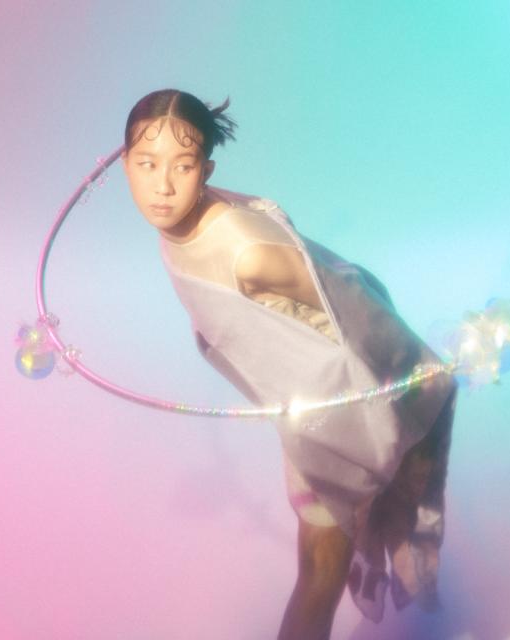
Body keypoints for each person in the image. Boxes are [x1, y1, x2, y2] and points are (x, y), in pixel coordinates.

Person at [121, 89, 457, 640]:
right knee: (318, 569)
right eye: (147, 163)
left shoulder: (247, 252)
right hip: (302, 409)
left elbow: (353, 299)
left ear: (206, 171)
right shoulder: (176, 220)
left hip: (340, 415)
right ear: (124, 163)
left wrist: (414, 382)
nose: (162, 186)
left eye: (182, 166)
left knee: (319, 572)